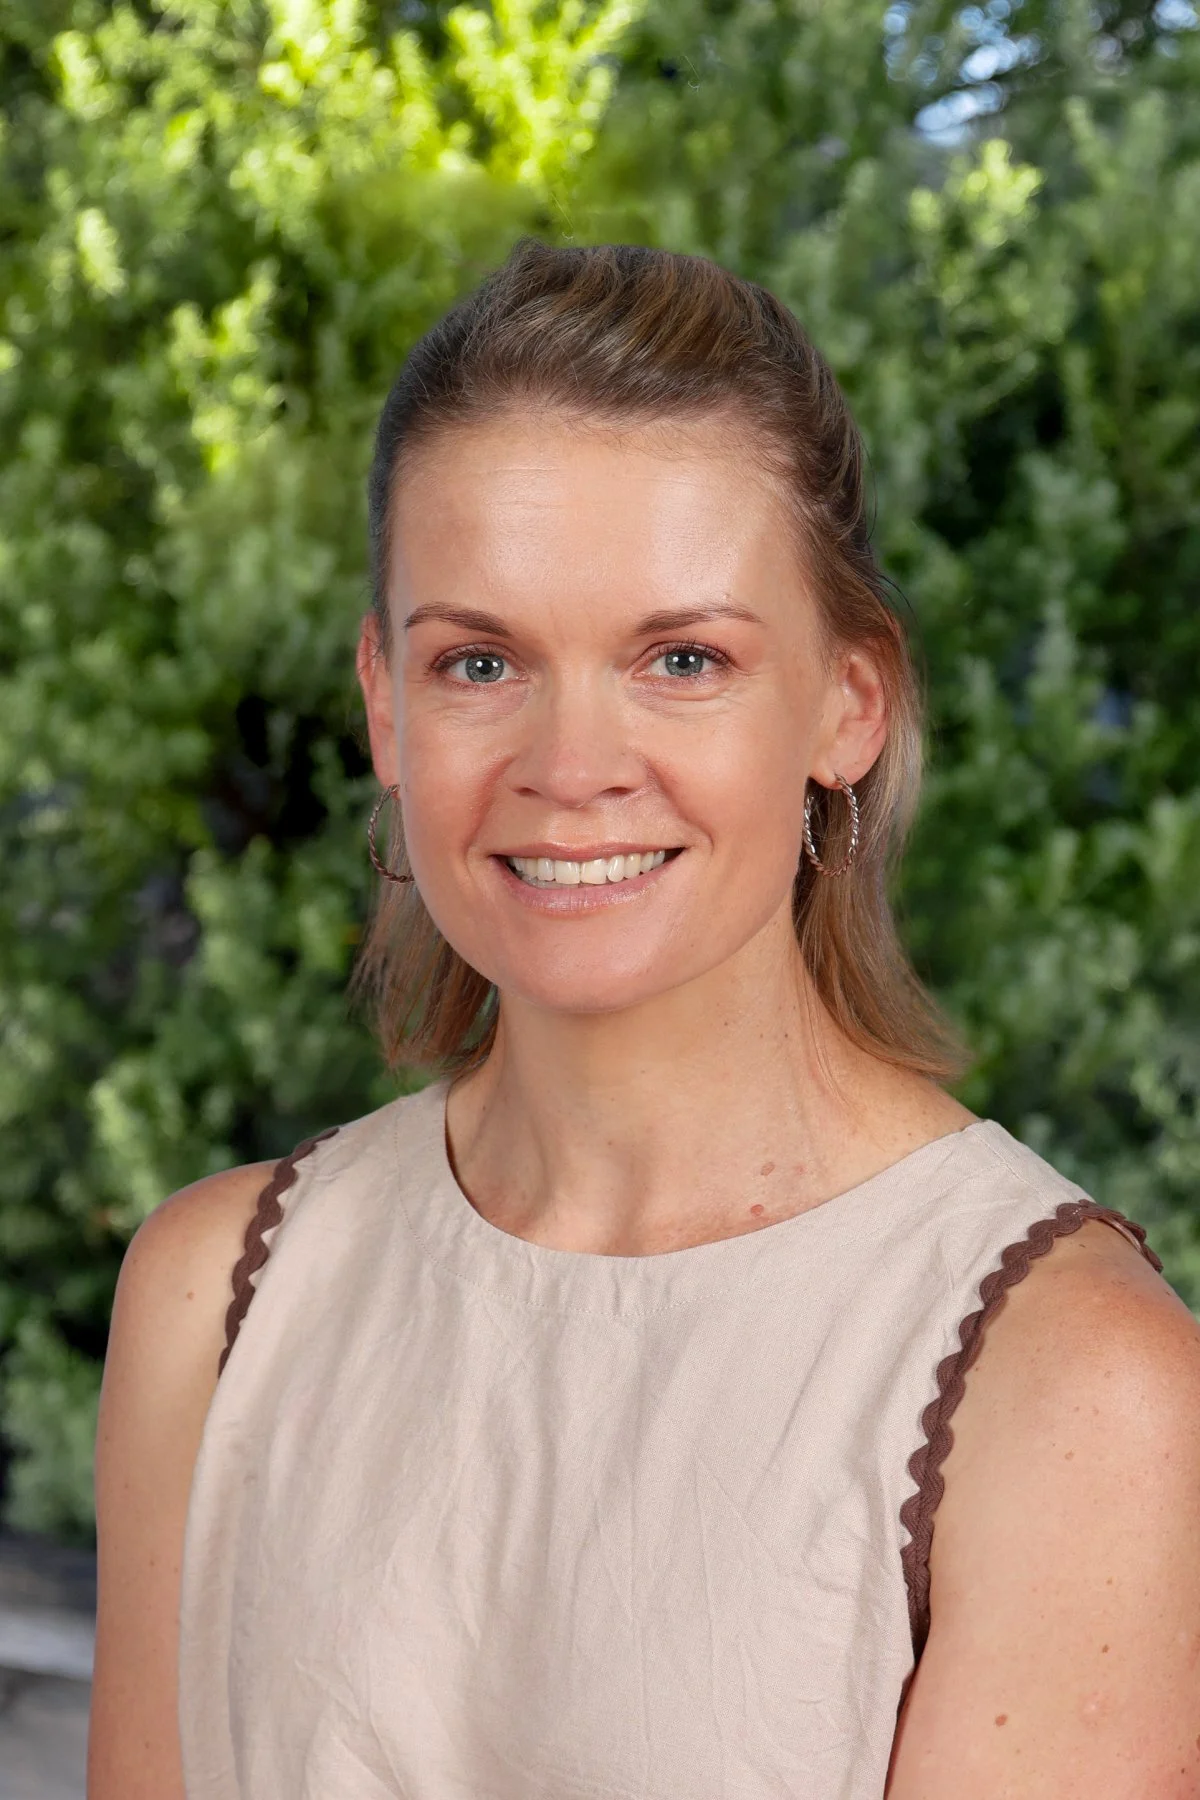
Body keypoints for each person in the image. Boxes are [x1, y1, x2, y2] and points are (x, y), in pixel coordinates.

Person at [89, 240, 1200, 1800]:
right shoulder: (211, 1302)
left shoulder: (1073, 1388)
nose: (572, 762)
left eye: (682, 659)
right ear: (387, 707)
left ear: (847, 705)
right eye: (481, 661)